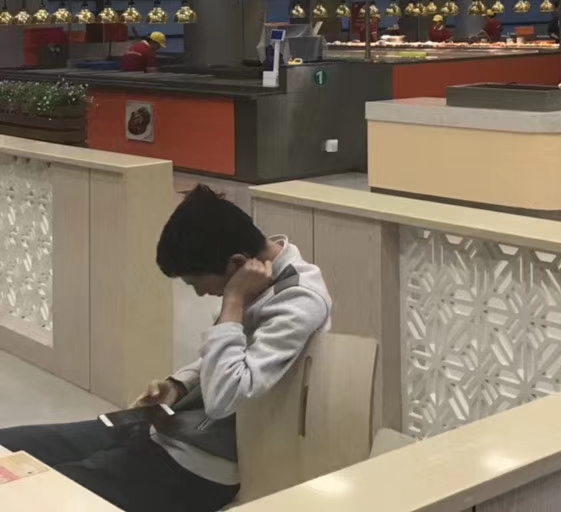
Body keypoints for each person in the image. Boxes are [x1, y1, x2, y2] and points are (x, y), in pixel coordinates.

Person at [0, 186, 332, 511]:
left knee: (26, 495)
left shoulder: (298, 303)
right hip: (165, 431)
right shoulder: (256, 274)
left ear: (236, 263)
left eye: (197, 283)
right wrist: (178, 385)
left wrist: (233, 303)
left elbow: (224, 397)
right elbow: (236, 357)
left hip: (198, 466)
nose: (201, 294)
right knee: (9, 448)